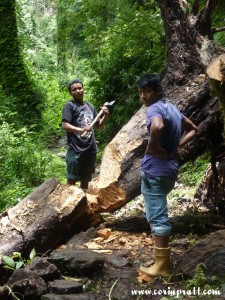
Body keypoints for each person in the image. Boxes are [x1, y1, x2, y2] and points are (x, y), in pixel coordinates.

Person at [136, 74, 197, 277]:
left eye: (148, 91)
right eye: (141, 92)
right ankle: (159, 259)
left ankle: (161, 267)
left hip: (155, 170)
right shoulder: (172, 108)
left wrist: (151, 146)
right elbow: (193, 129)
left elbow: (158, 126)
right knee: (156, 213)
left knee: (158, 217)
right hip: (169, 169)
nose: (144, 96)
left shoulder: (154, 109)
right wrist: (177, 145)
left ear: (158, 91)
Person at [61, 78, 109, 191]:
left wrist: (105, 116)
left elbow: (98, 127)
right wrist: (81, 130)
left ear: (83, 89)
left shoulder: (90, 107)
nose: (78, 91)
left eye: (80, 88)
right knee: (71, 180)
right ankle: (67, 205)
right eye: (74, 89)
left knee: (85, 180)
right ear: (70, 92)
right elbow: (65, 125)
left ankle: (83, 204)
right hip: (76, 148)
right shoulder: (69, 106)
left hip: (90, 149)